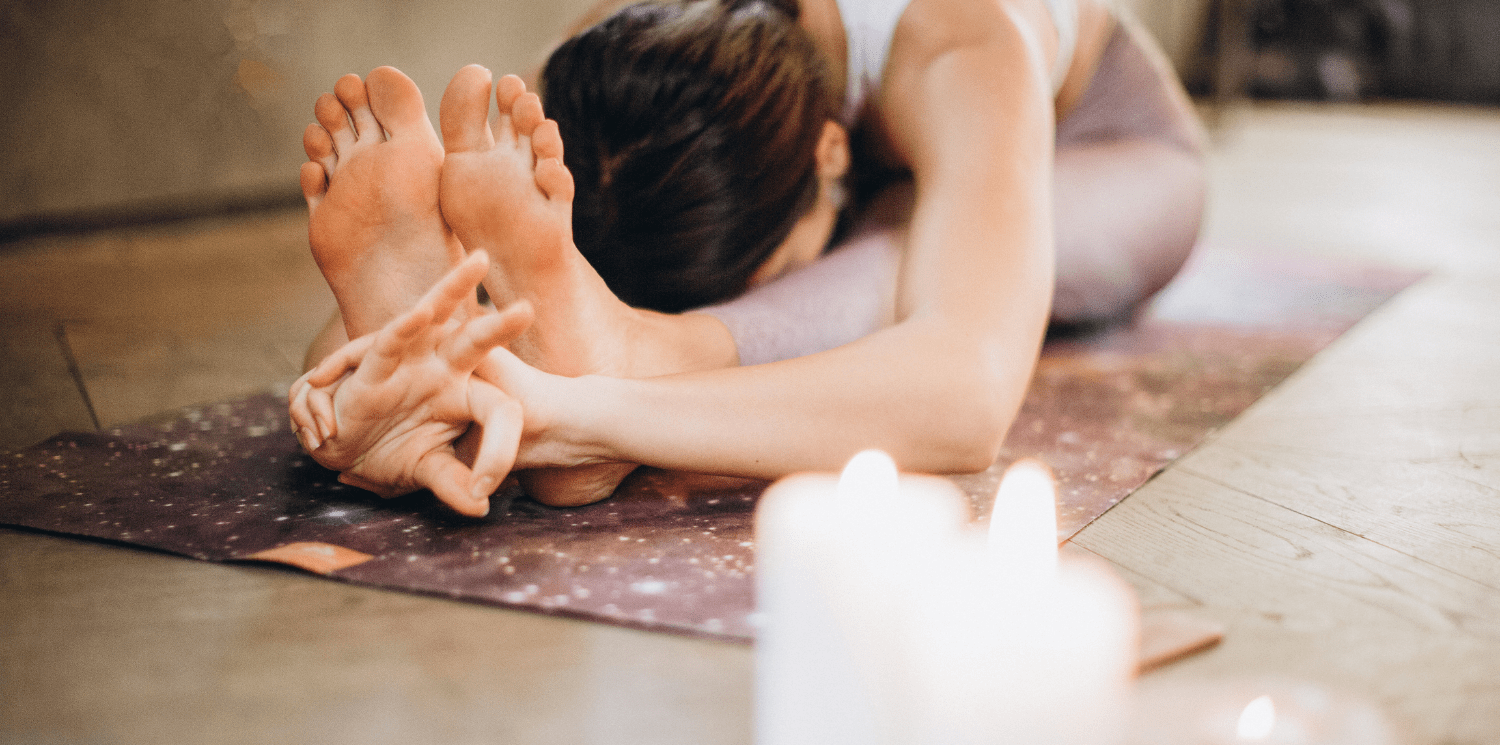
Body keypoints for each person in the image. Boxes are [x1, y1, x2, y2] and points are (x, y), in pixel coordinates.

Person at [290, 0, 1206, 515]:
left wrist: (592, 418)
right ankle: (582, 340)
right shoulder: (633, 41)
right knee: (553, 245)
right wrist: (366, 376)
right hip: (840, 173)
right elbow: (507, 222)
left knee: (904, 248)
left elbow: (965, 393)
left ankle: (634, 354)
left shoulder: (962, 42)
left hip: (1110, 150)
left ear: (831, 156)